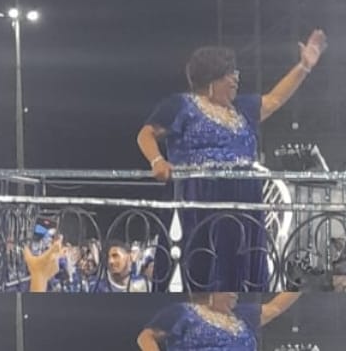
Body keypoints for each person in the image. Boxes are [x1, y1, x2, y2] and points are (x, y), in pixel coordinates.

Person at [136, 30, 326, 292]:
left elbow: (275, 99)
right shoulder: (181, 105)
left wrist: (304, 66)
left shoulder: (242, 109)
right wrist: (157, 161)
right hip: (199, 197)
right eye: (230, 73)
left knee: (242, 267)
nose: (236, 78)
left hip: (245, 196)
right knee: (204, 266)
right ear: (211, 78)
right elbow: (146, 134)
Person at [137, 292, 299, 351]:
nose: (235, 293)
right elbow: (145, 337)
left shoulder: (242, 315)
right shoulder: (182, 311)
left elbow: (276, 307)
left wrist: (303, 284)